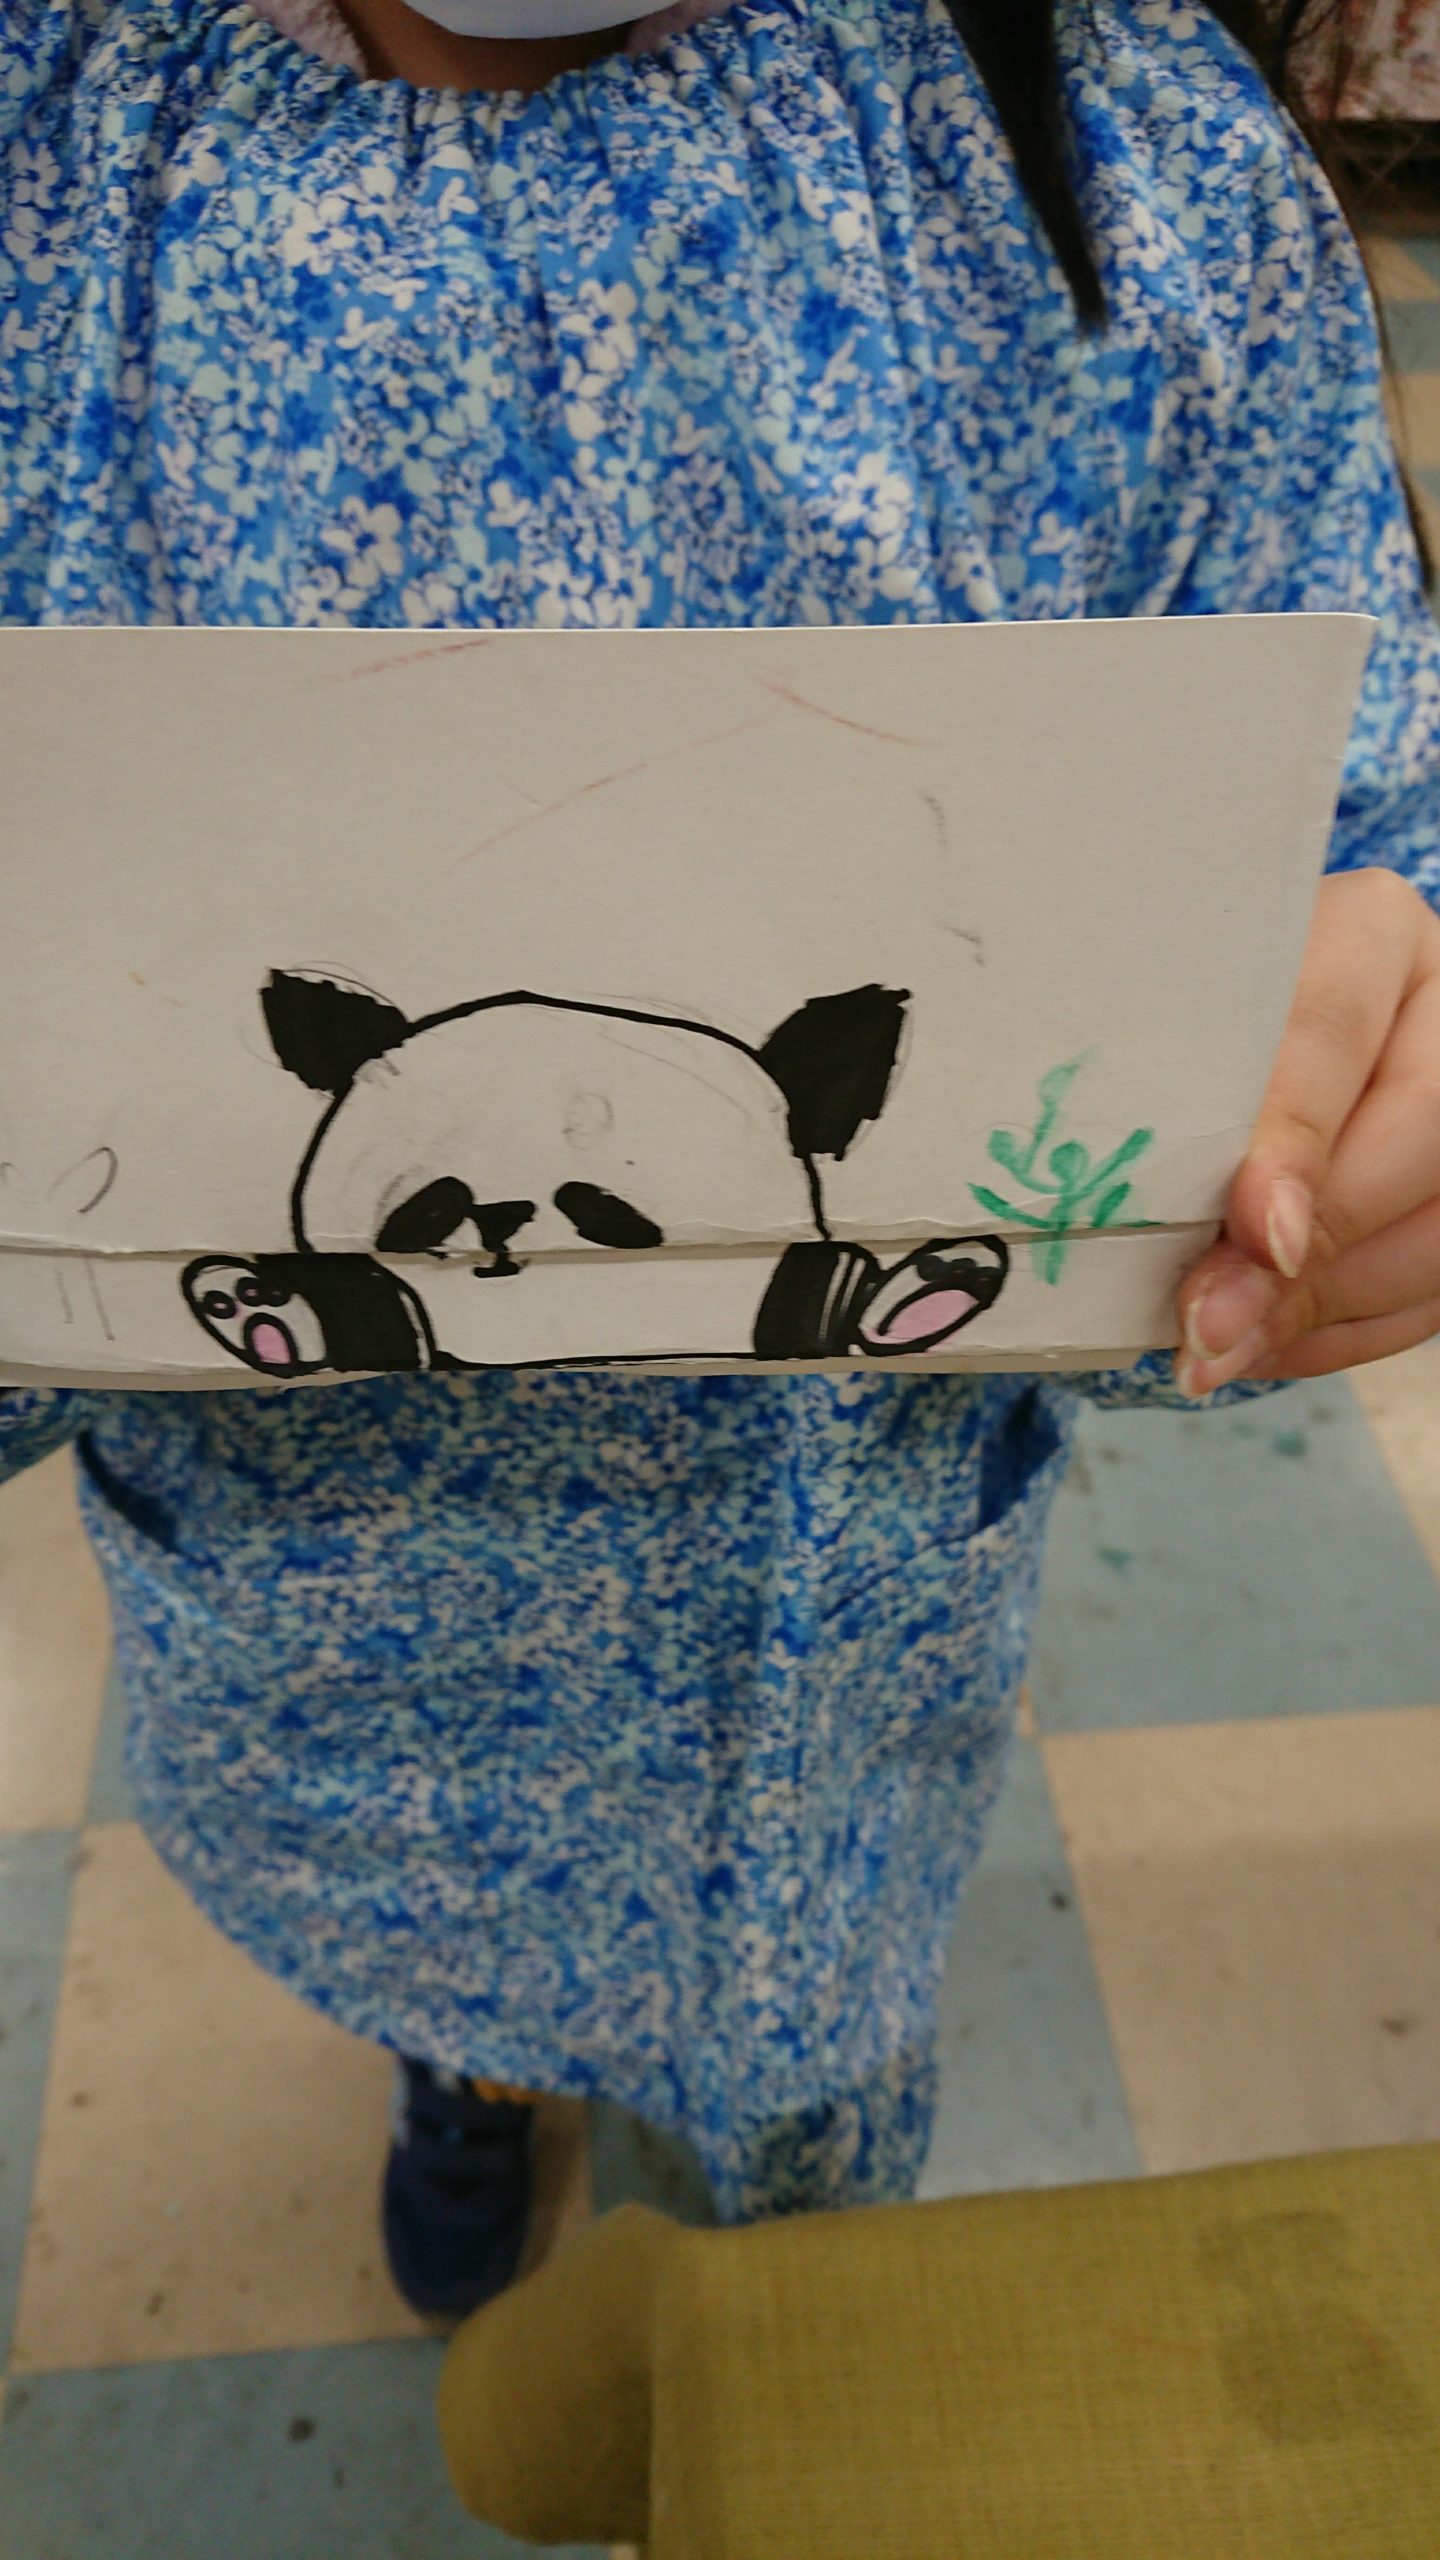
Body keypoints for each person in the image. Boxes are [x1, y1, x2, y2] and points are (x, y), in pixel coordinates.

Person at [2, 0, 1438, 2321]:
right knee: (419, 1943)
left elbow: (1364, 792)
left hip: (848, 1615)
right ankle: (461, 2067)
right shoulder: (49, 173)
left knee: (818, 2129)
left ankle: (784, 2176)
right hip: (322, 1622)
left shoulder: (1143, 167)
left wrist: (1362, 1049)